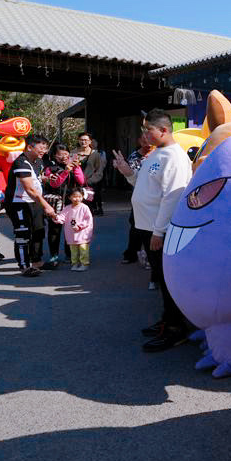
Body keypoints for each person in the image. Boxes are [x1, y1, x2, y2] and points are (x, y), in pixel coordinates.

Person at [114, 110, 192, 351]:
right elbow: (145, 183)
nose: (144, 134)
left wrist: (159, 231)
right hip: (147, 227)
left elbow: (173, 196)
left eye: (148, 129)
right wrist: (128, 172)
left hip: (160, 231)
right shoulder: (156, 154)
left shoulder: (174, 157)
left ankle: (176, 329)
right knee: (160, 277)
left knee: (168, 281)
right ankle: (167, 320)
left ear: (164, 130)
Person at [4, 134, 57, 277]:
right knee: (23, 234)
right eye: (41, 148)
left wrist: (45, 178)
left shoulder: (38, 161)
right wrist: (47, 206)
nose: (44, 151)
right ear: (29, 147)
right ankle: (24, 266)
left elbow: (36, 180)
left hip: (35, 202)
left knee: (39, 231)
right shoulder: (21, 162)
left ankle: (37, 261)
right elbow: (30, 189)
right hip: (18, 203)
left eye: (45, 148)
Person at [41, 144, 85, 267]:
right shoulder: (49, 168)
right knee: (54, 230)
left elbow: (81, 181)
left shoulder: (74, 165)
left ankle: (69, 254)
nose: (65, 156)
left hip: (71, 202)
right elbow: (54, 184)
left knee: (71, 229)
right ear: (54, 155)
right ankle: (53, 255)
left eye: (67, 153)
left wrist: (75, 168)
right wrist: (66, 171)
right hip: (56, 202)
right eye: (61, 154)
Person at [113, 135, 153, 266]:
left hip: (157, 197)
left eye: (149, 139)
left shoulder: (160, 154)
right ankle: (131, 253)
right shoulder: (134, 157)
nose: (147, 142)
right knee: (136, 225)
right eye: (143, 140)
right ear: (139, 141)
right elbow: (133, 177)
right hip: (140, 196)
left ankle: (151, 256)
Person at [54, 187, 93, 272]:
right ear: (69, 197)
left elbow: (88, 220)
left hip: (83, 233)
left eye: (79, 196)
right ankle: (74, 263)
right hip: (71, 233)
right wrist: (57, 218)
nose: (77, 198)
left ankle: (84, 263)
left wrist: (79, 226)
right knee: (73, 250)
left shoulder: (84, 208)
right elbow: (62, 217)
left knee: (83, 248)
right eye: (74, 196)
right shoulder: (67, 208)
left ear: (82, 197)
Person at [76, 131, 106, 217]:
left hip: (89, 185)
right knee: (76, 209)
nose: (83, 142)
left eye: (86, 140)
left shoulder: (95, 154)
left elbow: (99, 171)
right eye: (81, 140)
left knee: (88, 209)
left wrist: (90, 181)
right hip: (76, 185)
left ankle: (87, 229)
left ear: (90, 141)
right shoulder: (73, 153)